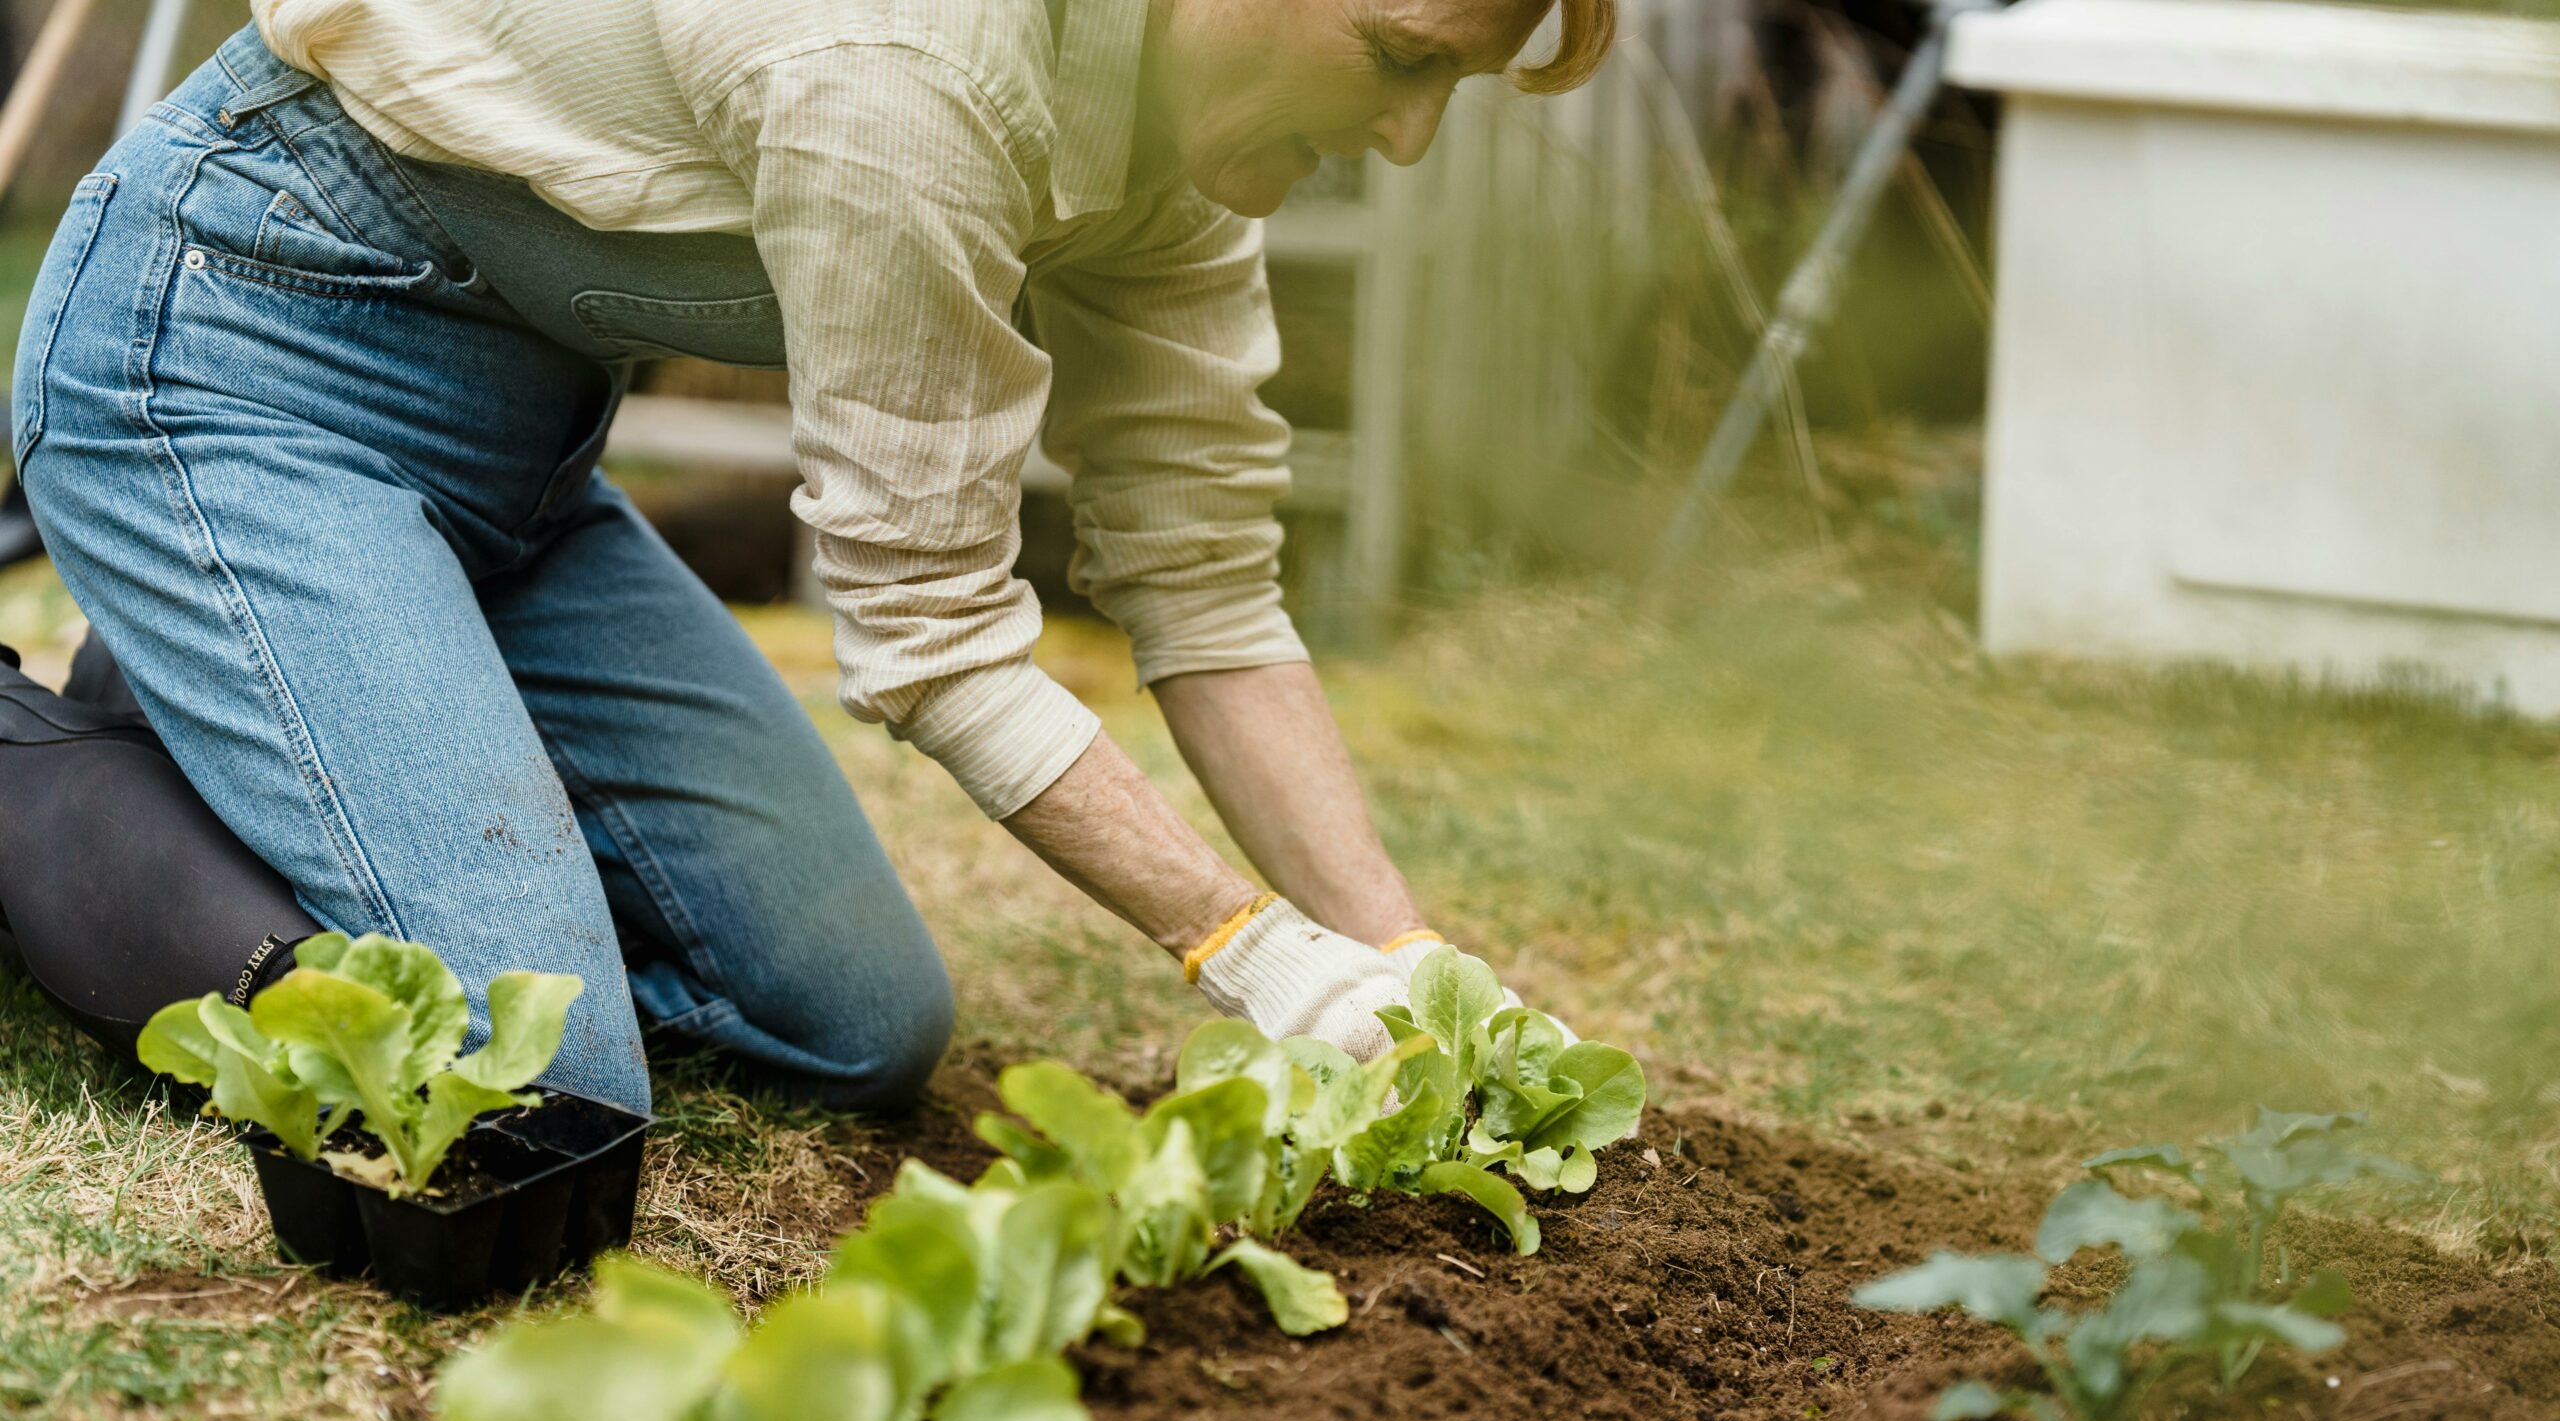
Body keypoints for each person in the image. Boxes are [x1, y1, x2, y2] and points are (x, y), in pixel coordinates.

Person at [8, 0, 1612, 1118]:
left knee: (852, 1023)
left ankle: (226, 686)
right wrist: (1254, 953)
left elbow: (1203, 582)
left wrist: (1405, 966)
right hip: (232, 357)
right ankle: (49, 752)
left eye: (1450, 86)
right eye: (1402, 59)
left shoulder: (1168, 142)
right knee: (538, 1078)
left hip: (517, 468)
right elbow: (932, 639)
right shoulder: (905, 57)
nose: (1407, 139)